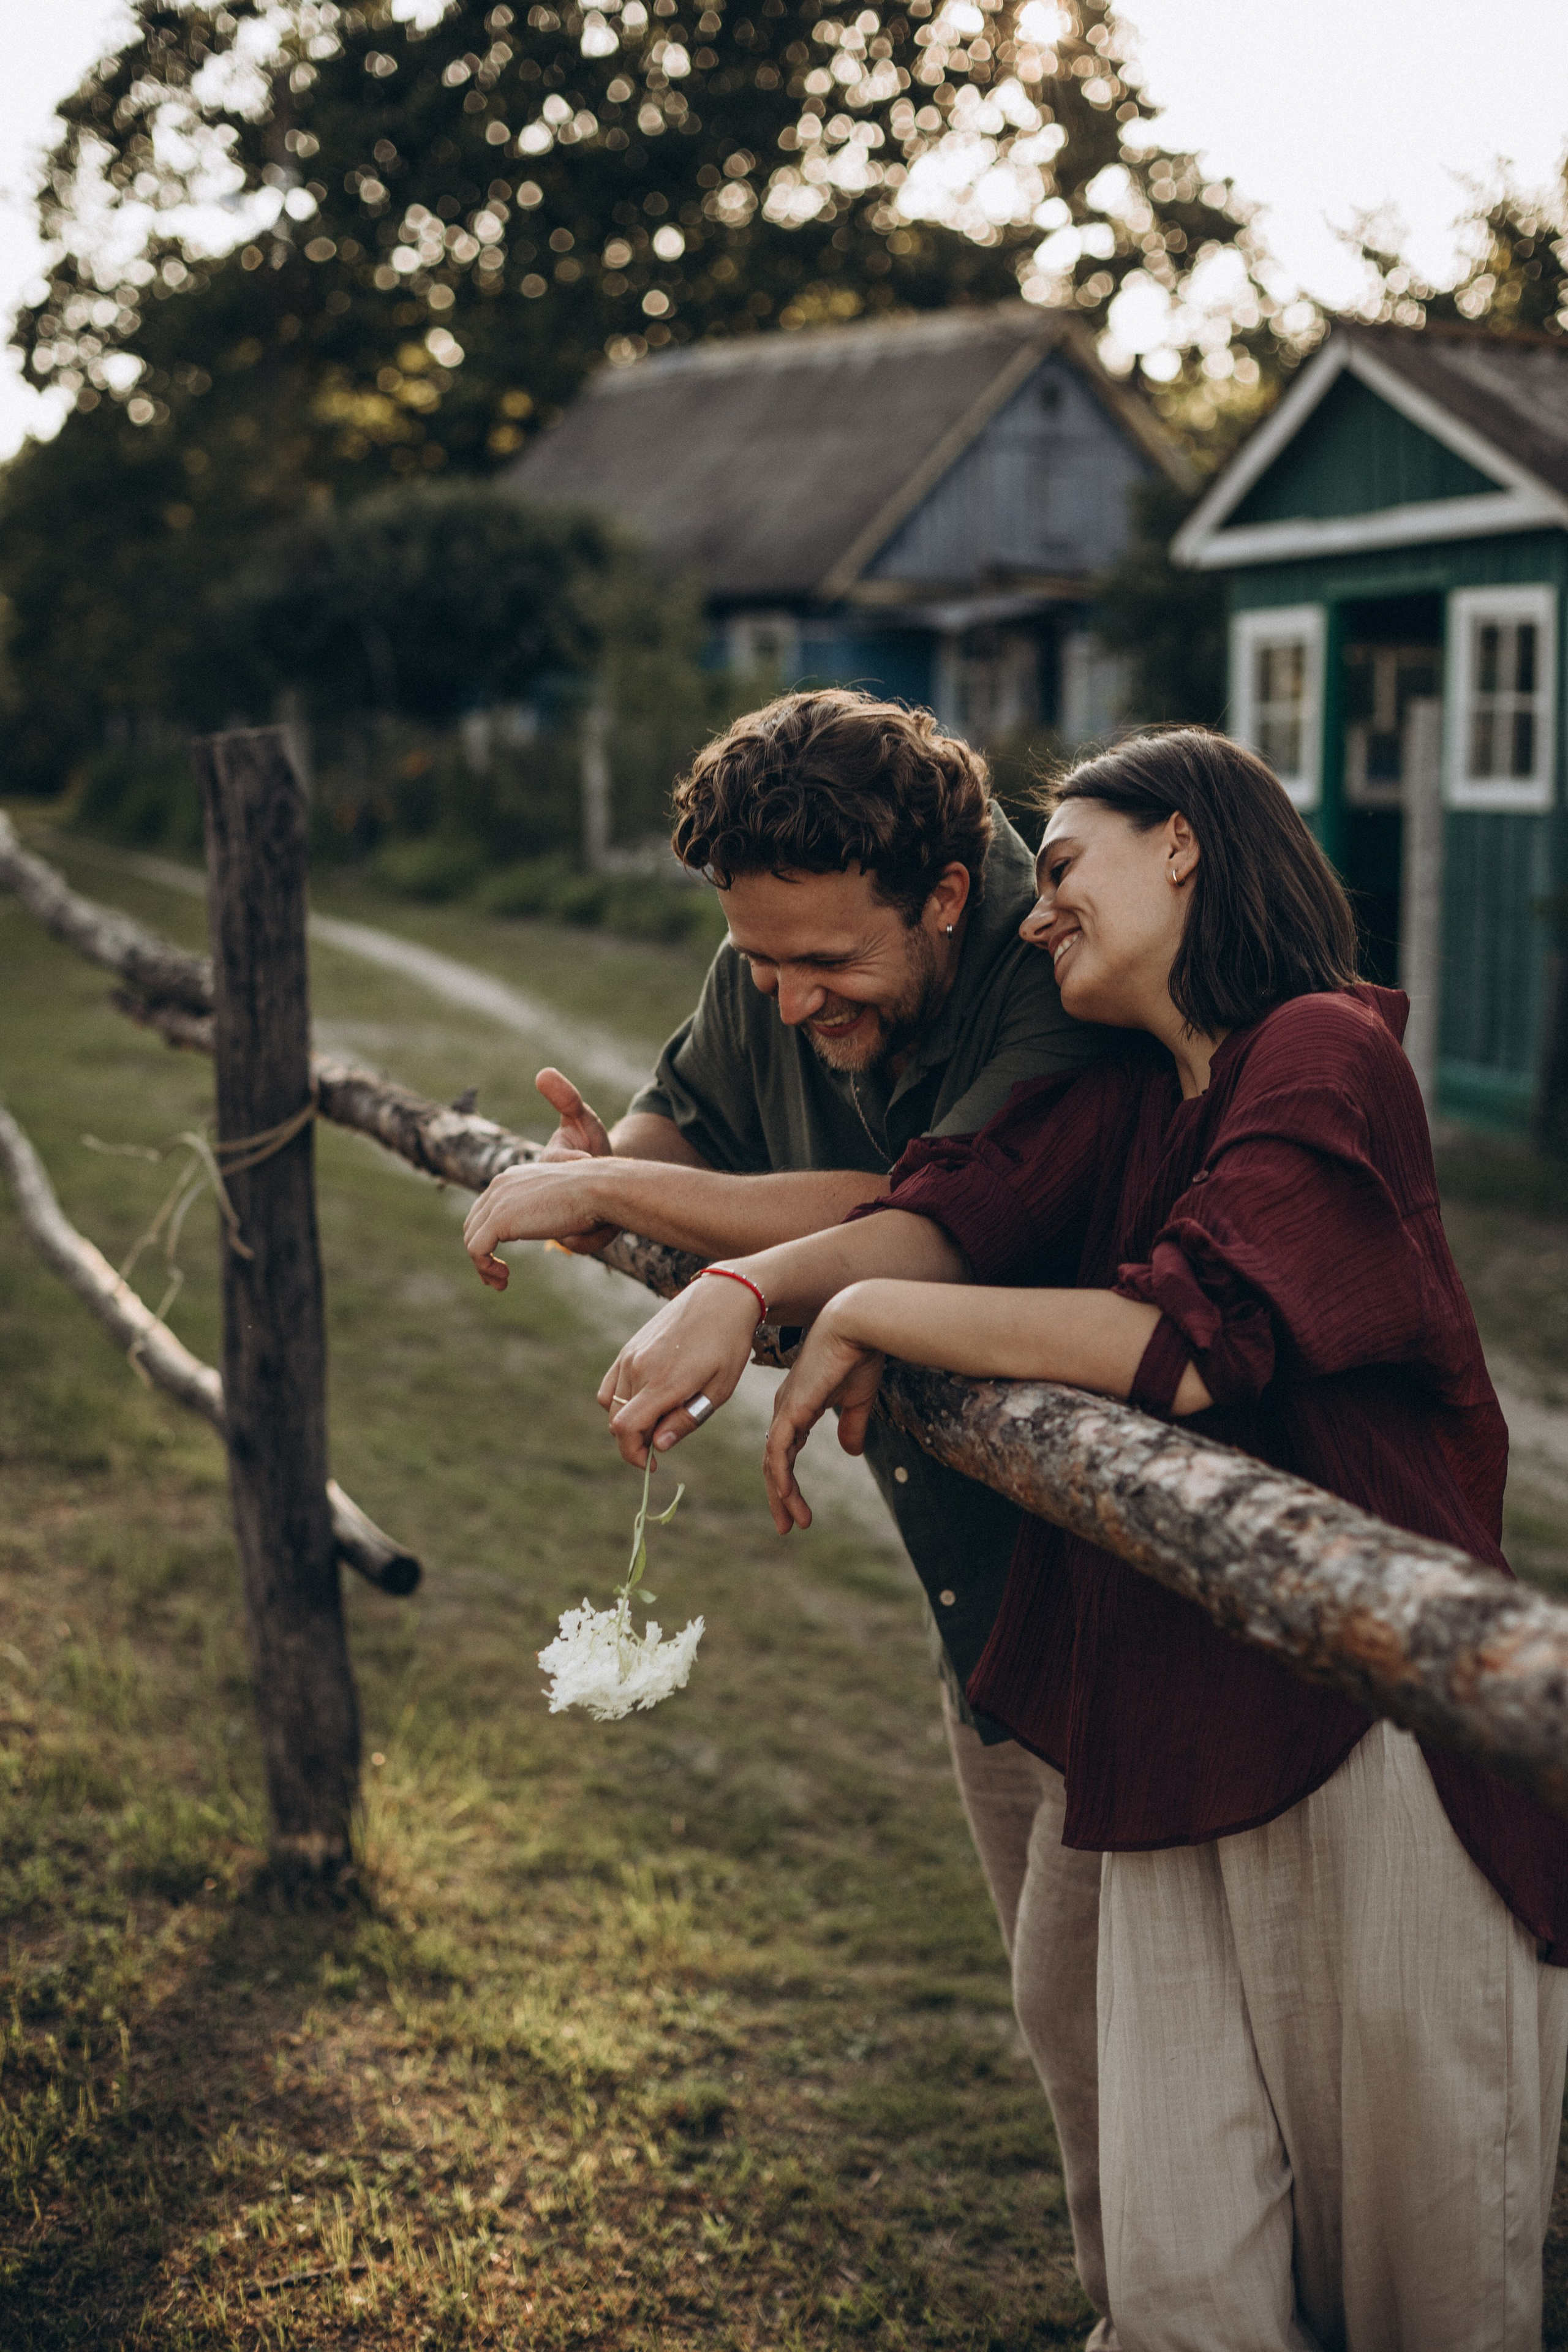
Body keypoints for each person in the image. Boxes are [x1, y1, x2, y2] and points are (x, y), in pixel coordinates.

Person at [598, 727, 1568, 2352]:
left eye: (1061, 872)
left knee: (1423, 2280)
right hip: (1163, 1741)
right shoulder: (1123, 1094)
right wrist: (751, 1279)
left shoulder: (1325, 1051)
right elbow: (947, 1199)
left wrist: (872, 1305)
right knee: (1181, 2277)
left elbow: (1181, 1345)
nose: (1039, 926)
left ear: (1184, 842)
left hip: (1364, 1745)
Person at [462, 688, 1119, 2341]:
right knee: (1074, 2058)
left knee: (1144, 2058)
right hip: (983, 1606)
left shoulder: (1052, 976)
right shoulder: (776, 944)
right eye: (761, 961)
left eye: (828, 963)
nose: (788, 995)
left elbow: (915, 1217)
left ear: (948, 894)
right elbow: (698, 1126)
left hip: (1136, 1611)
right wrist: (619, 1163)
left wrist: (632, 1202)